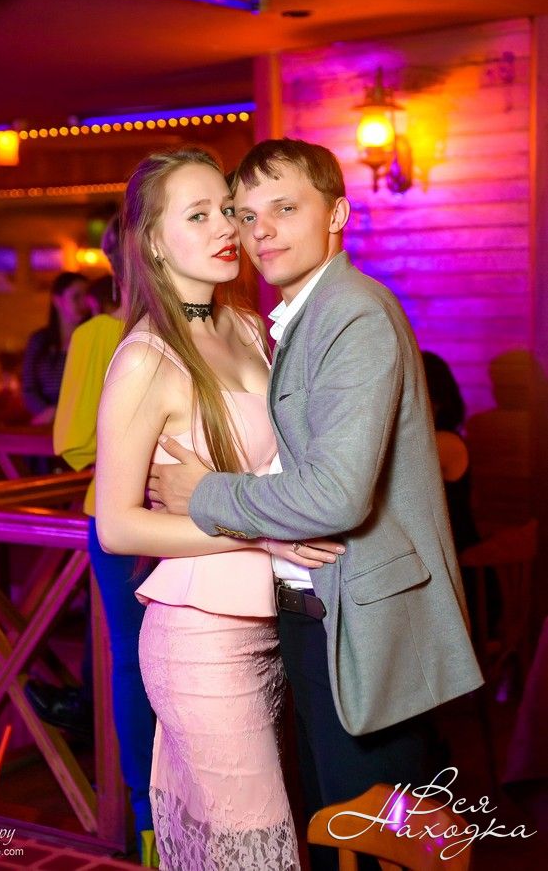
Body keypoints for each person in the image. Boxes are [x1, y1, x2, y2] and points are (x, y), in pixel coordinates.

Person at [148, 138, 484, 871]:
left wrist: (204, 492)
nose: (259, 230)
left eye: (285, 208)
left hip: (360, 623)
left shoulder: (352, 314)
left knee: (377, 845)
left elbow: (335, 494)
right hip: (321, 618)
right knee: (344, 834)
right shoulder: (302, 316)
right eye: (246, 214)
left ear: (336, 215)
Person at [95, 147, 338, 870]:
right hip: (200, 639)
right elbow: (117, 526)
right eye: (198, 215)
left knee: (257, 840)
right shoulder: (146, 357)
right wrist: (264, 537)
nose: (228, 227)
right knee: (259, 848)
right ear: (152, 241)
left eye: (227, 209)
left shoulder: (247, 328)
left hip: (271, 623)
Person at [25, 217, 158, 864]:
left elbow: (73, 443)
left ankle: (149, 825)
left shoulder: (101, 335)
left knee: (136, 664)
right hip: (180, 518)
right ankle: (173, 818)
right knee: (171, 666)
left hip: (122, 520)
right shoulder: (185, 330)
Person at [422, 350, 501, 640]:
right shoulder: (435, 440)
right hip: (445, 567)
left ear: (437, 400)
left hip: (462, 576)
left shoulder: (445, 442)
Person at [21, 271, 89, 425]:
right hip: (46, 420)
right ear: (57, 300)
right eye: (76, 297)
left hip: (81, 420)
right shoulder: (40, 340)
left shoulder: (92, 338)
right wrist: (49, 412)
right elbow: (29, 388)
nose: (83, 303)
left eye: (86, 297)